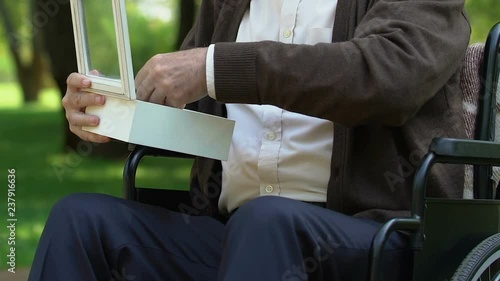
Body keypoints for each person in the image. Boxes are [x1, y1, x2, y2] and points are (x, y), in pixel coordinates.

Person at [29, 0, 470, 280]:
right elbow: (193, 103)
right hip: (236, 234)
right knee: (80, 219)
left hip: (377, 238)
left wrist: (219, 67)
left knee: (266, 221)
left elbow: (389, 76)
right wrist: (112, 112)